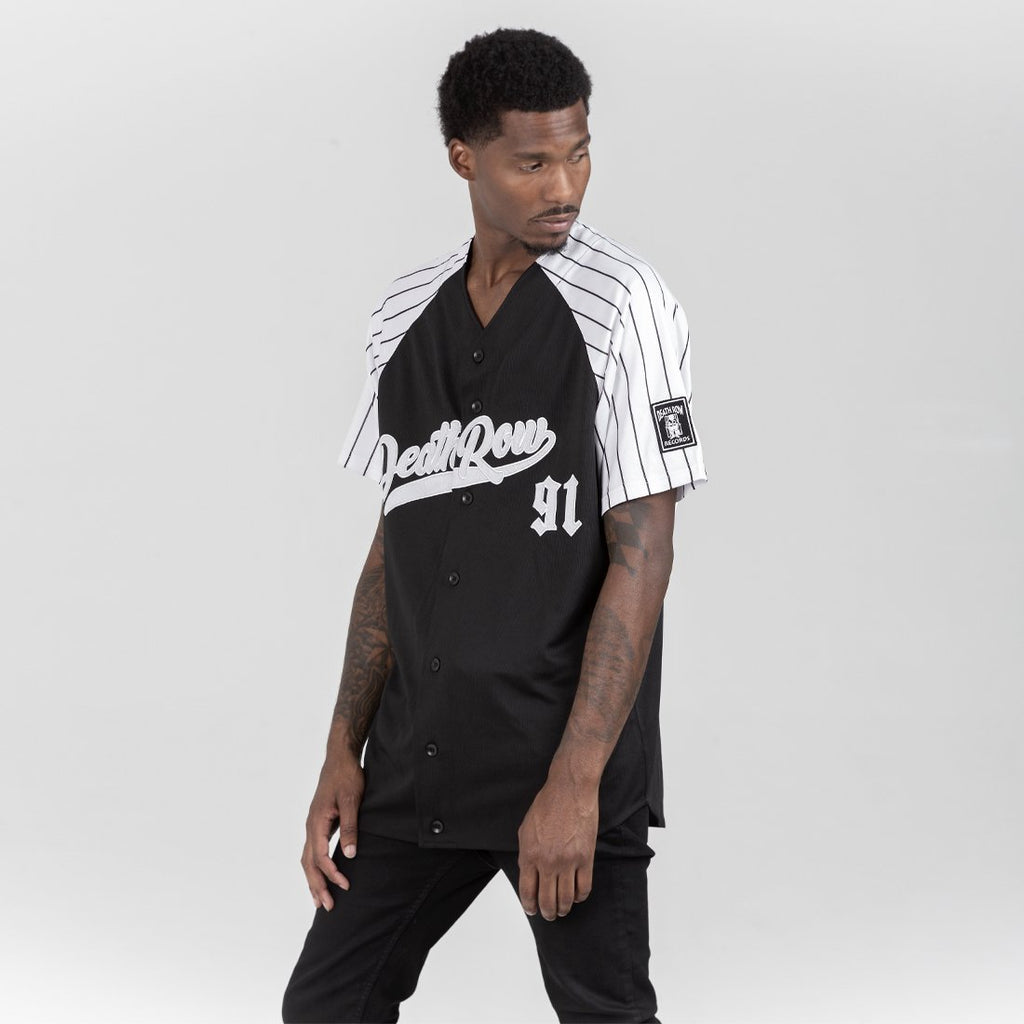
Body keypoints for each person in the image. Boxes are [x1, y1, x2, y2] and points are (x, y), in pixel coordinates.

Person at [281, 27, 709, 1024]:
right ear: (463, 158)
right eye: (532, 162)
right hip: (418, 761)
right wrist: (343, 747)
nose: (565, 186)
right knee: (326, 1007)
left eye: (579, 153)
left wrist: (575, 784)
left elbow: (642, 556)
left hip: (559, 762)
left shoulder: (626, 306)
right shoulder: (403, 314)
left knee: (605, 1015)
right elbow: (393, 548)